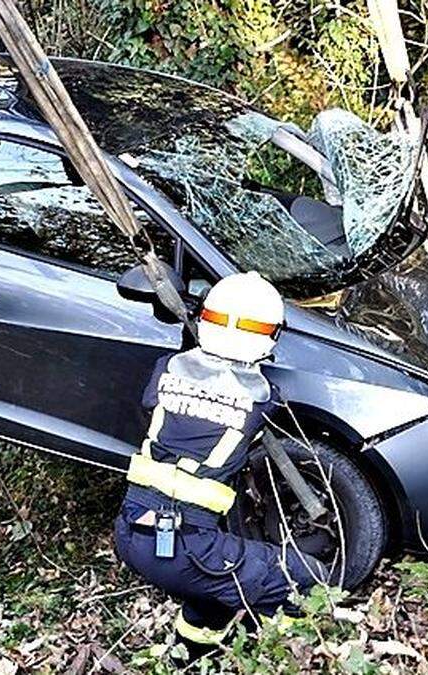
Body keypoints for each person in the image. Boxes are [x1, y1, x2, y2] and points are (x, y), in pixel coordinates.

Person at [113, 271, 323, 663]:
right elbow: (249, 400)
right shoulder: (260, 398)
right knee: (304, 576)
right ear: (269, 335)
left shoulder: (166, 370)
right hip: (186, 545)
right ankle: (273, 656)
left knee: (214, 597)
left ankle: (185, 659)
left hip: (131, 532)